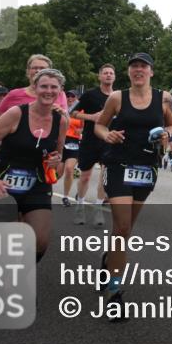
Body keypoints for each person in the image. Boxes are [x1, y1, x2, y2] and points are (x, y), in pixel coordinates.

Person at [93, 52, 172, 317]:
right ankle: (115, 293)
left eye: (143, 66)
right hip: (118, 165)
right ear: (128, 72)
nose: (138, 70)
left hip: (146, 168)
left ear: (151, 71)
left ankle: (108, 263)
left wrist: (167, 135)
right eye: (134, 67)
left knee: (125, 231)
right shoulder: (117, 98)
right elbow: (99, 126)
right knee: (123, 226)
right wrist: (109, 135)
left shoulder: (164, 97)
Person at [0, 69, 67, 262]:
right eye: (43, 86)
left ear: (60, 91)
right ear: (35, 88)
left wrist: (56, 161)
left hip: (38, 184)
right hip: (4, 183)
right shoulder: (16, 113)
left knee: (40, 241)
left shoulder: (61, 120)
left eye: (53, 87)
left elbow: (58, 159)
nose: (48, 91)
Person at [70, 63, 116, 226]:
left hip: (108, 141)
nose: (108, 75)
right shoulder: (89, 95)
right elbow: (72, 112)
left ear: (114, 76)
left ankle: (98, 210)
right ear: (100, 76)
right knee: (85, 176)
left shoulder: (117, 97)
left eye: (111, 73)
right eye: (105, 73)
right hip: (90, 140)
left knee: (105, 177)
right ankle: (80, 207)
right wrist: (91, 117)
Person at [61, 90, 84, 206]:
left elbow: (83, 127)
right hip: (60, 141)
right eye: (68, 95)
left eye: (72, 96)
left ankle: (65, 197)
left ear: (76, 98)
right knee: (56, 174)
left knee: (69, 169)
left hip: (74, 142)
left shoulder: (80, 111)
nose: (70, 98)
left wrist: (80, 130)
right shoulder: (61, 108)